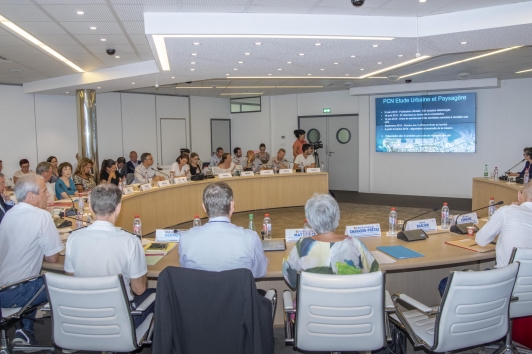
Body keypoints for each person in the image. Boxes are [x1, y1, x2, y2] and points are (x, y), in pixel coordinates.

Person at [64, 184, 155, 329]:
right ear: (118, 208)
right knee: (158, 293)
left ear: (92, 209)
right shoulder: (130, 241)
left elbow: (70, 279)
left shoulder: (74, 238)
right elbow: (139, 289)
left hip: (82, 318)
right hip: (118, 323)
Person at [437, 182, 532, 297]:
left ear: (519, 195)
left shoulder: (507, 211)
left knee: (445, 284)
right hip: (527, 292)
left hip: (505, 286)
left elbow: (481, 240)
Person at [0, 174, 63, 345]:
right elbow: (53, 257)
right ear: (31, 196)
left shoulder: (9, 214)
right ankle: (70, 336)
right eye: (44, 191)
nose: (48, 195)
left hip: (3, 289)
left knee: (32, 275)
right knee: (65, 280)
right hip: (16, 292)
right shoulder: (42, 216)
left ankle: (25, 332)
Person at [282, 193, 379, 288]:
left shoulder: (302, 245)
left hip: (314, 303)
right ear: (337, 216)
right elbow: (376, 274)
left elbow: (292, 281)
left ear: (310, 221)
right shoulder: (355, 244)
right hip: (349, 302)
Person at [179, 182, 267, 278]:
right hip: (238, 293)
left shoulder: (185, 239)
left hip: (199, 292)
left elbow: (186, 270)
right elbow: (259, 273)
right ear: (232, 205)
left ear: (204, 207)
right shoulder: (250, 238)